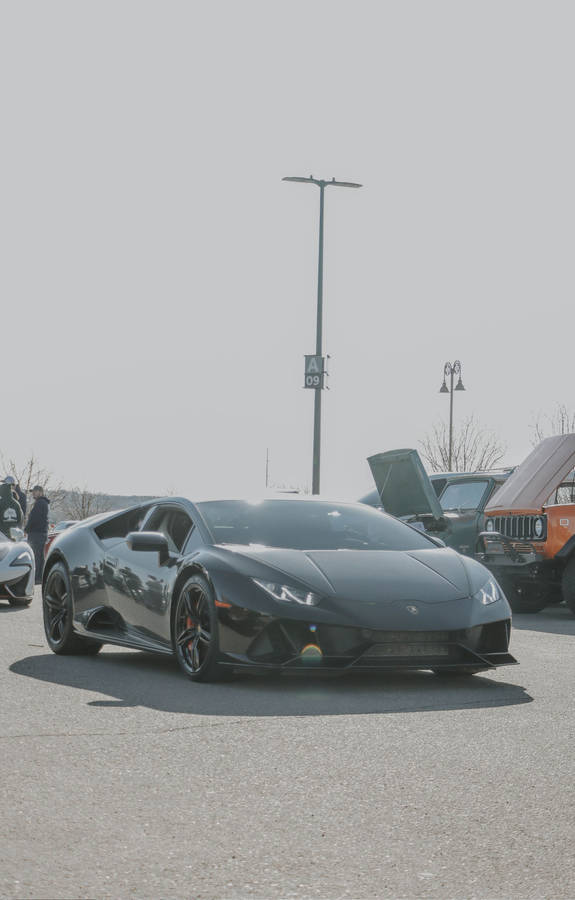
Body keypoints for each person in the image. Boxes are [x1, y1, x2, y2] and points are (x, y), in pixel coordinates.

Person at [25, 485, 50, 584]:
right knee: (39, 556)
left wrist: (26, 529)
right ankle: (40, 577)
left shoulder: (40, 503)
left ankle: (37, 578)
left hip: (36, 533)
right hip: (40, 533)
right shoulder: (43, 503)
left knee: (36, 556)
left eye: (34, 491)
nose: (33, 493)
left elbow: (34, 519)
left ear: (40, 492)